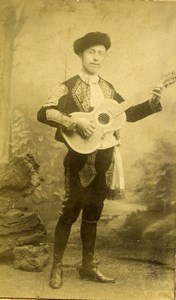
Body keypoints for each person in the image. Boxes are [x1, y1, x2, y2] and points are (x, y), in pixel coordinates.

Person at [37, 32, 163, 289]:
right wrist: (74, 121)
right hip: (79, 159)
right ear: (81, 55)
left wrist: (152, 102)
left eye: (101, 53)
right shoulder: (68, 86)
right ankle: (57, 266)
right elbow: (44, 112)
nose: (96, 57)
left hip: (105, 157)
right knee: (71, 209)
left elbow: (126, 114)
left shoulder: (108, 88)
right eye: (91, 52)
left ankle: (87, 266)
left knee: (94, 212)